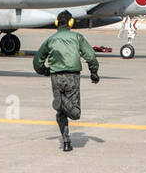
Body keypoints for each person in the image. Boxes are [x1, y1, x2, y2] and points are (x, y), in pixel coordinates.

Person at [33, 10, 99, 152]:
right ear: (71, 23)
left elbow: (37, 60)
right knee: (75, 113)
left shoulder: (50, 39)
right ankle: (61, 100)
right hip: (72, 77)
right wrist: (94, 72)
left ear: (57, 23)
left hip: (55, 77)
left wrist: (44, 71)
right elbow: (90, 55)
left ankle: (66, 141)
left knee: (61, 113)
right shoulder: (77, 37)